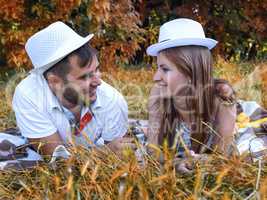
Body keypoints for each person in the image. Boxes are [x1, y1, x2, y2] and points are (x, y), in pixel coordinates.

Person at [12, 21, 135, 157]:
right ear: (55, 81)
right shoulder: (28, 95)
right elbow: (56, 159)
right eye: (84, 77)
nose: (98, 82)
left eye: (97, 69)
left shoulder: (112, 100)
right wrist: (103, 153)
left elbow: (118, 158)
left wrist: (111, 153)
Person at [146, 18, 237, 157]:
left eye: (165, 69)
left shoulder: (222, 96)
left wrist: (199, 163)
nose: (156, 77)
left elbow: (221, 157)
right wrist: (174, 165)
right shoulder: (158, 94)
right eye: (158, 68)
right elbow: (153, 152)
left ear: (190, 72)